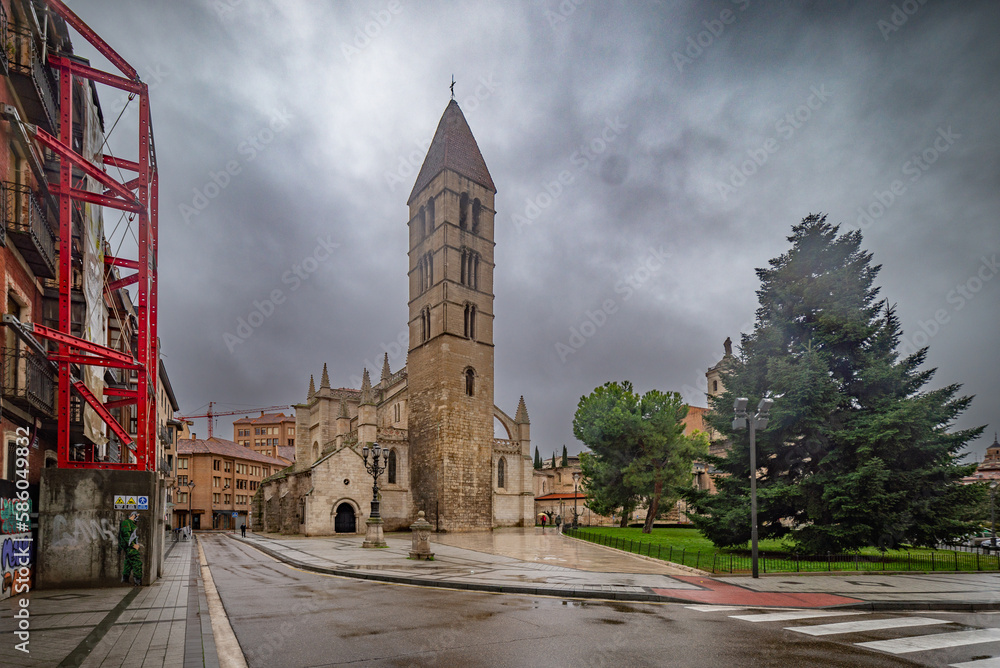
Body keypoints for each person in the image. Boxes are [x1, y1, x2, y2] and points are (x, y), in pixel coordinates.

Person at [118, 511, 143, 586]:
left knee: (128, 563)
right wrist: (133, 545)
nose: (137, 517)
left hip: (130, 546)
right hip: (129, 547)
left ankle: (125, 579)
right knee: (137, 562)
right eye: (136, 515)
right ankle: (137, 580)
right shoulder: (126, 523)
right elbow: (126, 535)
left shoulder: (132, 523)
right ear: (133, 515)